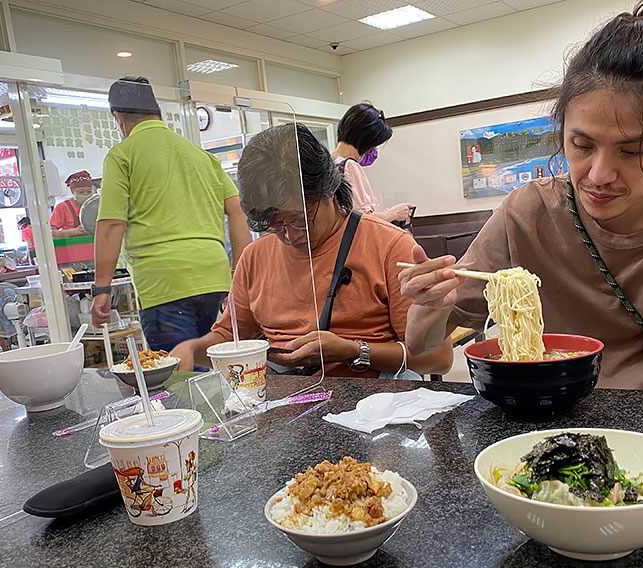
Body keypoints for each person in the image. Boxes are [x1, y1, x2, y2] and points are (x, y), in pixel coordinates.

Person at [400, 1, 643, 394]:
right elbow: (422, 345)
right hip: (552, 418)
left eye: (632, 150)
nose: (599, 175)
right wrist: (430, 301)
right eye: (581, 144)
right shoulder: (527, 213)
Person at [171, 123, 453, 378]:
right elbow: (231, 337)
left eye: (299, 219)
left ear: (329, 189)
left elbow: (438, 359)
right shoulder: (256, 257)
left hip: (376, 407)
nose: (289, 235)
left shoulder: (390, 247)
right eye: (273, 224)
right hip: (288, 406)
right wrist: (193, 349)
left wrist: (353, 352)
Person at [92, 76, 252, 353]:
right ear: (159, 113)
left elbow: (111, 224)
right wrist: (239, 271)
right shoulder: (200, 155)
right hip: (212, 277)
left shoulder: (122, 155)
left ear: (118, 118)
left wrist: (101, 289)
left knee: (177, 376)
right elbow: (237, 209)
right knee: (208, 363)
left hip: (163, 281)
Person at [332, 103, 413, 223]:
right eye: (373, 145)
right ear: (365, 140)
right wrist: (393, 214)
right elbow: (363, 220)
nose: (372, 151)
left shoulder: (330, 163)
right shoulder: (350, 166)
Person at [50, 170, 91, 238]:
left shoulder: (94, 206)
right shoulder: (62, 207)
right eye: (81, 192)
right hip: (71, 246)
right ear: (72, 191)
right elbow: (51, 233)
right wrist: (75, 231)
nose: (85, 194)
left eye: (89, 191)